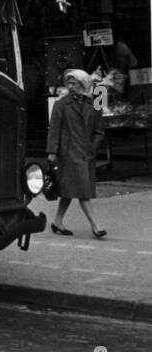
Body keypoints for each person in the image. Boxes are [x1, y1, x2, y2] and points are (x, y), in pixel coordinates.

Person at [47, 68, 106, 238]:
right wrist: (52, 152)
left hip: (86, 153)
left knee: (70, 190)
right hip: (68, 154)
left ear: (83, 84)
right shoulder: (61, 104)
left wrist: (92, 148)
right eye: (69, 83)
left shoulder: (94, 104)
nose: (71, 86)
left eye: (74, 83)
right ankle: (96, 226)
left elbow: (99, 130)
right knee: (82, 191)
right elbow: (54, 130)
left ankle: (57, 221)